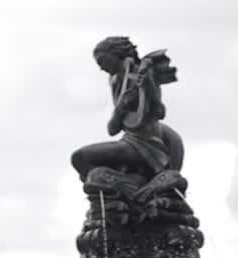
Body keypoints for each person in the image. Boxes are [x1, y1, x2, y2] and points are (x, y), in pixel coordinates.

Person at [70, 36, 184, 182]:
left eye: (103, 61)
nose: (101, 68)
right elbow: (112, 130)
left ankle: (126, 188)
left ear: (117, 56)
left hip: (145, 146)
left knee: (80, 158)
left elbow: (159, 112)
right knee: (85, 165)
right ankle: (124, 187)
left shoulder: (144, 75)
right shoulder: (117, 82)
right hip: (129, 140)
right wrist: (121, 107)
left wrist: (148, 87)